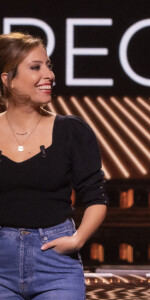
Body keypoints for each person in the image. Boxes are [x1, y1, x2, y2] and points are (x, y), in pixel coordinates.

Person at [0, 32, 108, 299]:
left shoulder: (72, 130)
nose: (49, 75)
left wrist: (77, 240)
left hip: (56, 264)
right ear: (8, 79)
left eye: (49, 66)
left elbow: (96, 197)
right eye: (36, 67)